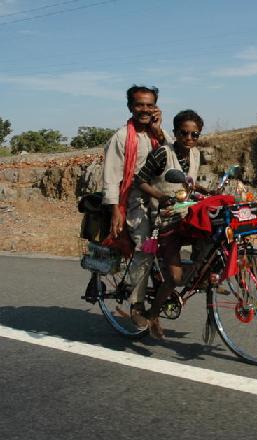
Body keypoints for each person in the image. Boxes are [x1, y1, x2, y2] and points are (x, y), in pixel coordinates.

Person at [132, 109, 208, 337]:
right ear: (175, 133)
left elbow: (189, 183)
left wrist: (203, 190)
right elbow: (140, 180)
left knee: (211, 238)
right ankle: (152, 313)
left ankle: (200, 278)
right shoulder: (163, 154)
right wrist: (159, 196)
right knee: (174, 278)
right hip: (165, 221)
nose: (189, 139)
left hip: (186, 216)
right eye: (184, 133)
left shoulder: (195, 154)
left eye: (195, 135)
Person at [101, 84, 169, 328]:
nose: (145, 109)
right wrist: (115, 210)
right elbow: (111, 176)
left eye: (150, 105)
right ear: (130, 106)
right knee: (145, 248)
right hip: (134, 201)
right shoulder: (121, 138)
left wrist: (159, 131)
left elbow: (172, 156)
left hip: (160, 198)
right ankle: (137, 302)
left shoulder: (157, 133)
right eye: (140, 104)